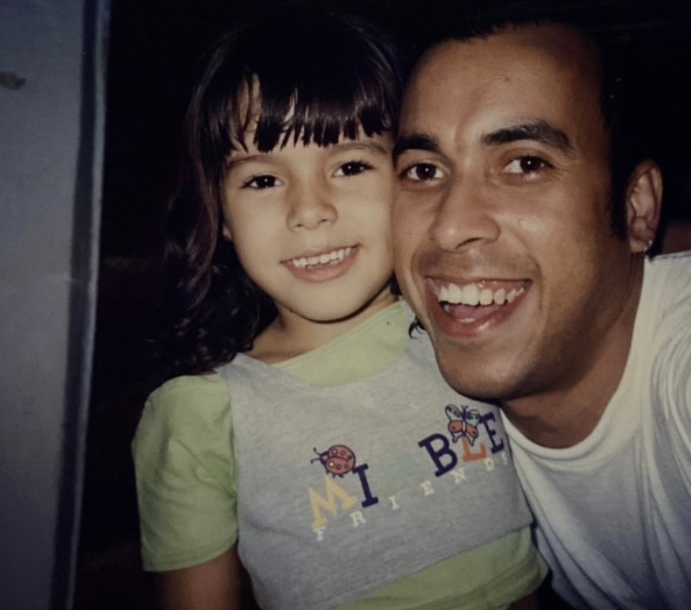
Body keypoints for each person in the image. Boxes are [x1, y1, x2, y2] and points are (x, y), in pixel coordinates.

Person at [391, 9, 691, 610]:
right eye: (423, 170)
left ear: (636, 208)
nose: (450, 226)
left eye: (526, 164)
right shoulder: (391, 370)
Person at [132, 6, 547, 610]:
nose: (309, 211)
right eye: (262, 180)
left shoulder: (467, 321)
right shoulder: (201, 417)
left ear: (412, 177)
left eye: (350, 166)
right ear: (219, 214)